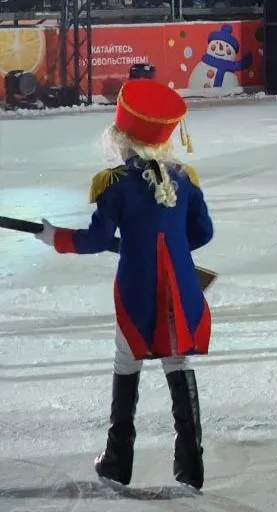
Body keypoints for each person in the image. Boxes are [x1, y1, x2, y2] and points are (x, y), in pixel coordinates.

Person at [33, 80, 212, 490]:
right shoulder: (185, 180)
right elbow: (201, 233)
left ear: (122, 138)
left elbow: (96, 240)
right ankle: (191, 466)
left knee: (126, 361)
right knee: (177, 360)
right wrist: (166, 242)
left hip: (137, 289)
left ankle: (117, 460)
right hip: (179, 285)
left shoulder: (114, 184)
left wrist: (54, 236)